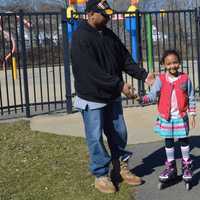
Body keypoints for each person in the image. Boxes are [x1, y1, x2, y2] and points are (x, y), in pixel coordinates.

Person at [71, 0, 155, 193]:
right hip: (91, 98)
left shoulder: (109, 35)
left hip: (111, 97)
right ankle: (101, 175)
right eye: (104, 14)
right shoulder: (80, 37)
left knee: (119, 133)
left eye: (109, 14)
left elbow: (124, 59)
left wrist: (144, 75)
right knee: (95, 138)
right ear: (91, 13)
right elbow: (92, 72)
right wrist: (120, 85)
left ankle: (120, 167)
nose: (108, 18)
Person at [139, 49, 196, 184]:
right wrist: (144, 99)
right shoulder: (161, 79)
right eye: (169, 64)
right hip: (166, 117)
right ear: (164, 65)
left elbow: (191, 96)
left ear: (179, 63)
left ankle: (186, 165)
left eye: (175, 62)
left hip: (181, 116)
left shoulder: (185, 78)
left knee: (183, 140)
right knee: (169, 141)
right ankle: (171, 167)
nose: (172, 66)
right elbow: (153, 94)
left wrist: (192, 113)